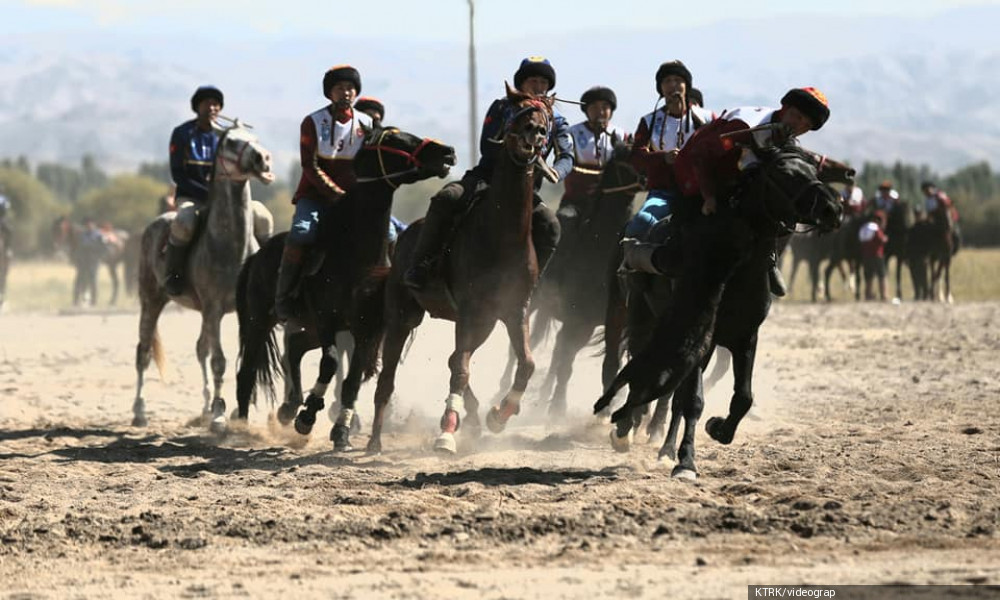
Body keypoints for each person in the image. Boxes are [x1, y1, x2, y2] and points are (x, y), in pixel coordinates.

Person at [629, 87, 832, 297]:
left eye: (806, 125)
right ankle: (640, 258)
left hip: (735, 185)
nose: (798, 126)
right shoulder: (746, 124)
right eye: (797, 116)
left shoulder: (785, 136)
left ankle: (768, 259)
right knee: (684, 247)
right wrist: (708, 196)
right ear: (785, 108)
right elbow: (701, 156)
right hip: (696, 178)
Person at [403, 56, 573, 290]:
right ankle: (422, 264)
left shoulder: (558, 121)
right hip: (486, 179)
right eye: (533, 80)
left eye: (543, 82)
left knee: (551, 226)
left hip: (525, 191)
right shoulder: (502, 108)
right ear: (521, 85)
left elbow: (567, 156)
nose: (538, 87)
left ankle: (532, 284)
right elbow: (487, 146)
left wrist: (557, 170)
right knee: (446, 198)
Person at [275, 65, 373, 323]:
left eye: (350, 88)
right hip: (316, 197)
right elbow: (310, 165)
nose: (346, 93)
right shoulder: (312, 122)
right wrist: (335, 193)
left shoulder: (367, 123)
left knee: (390, 234)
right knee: (301, 233)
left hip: (355, 199)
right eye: (340, 88)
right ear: (330, 93)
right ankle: (284, 297)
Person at [164, 86, 272, 295]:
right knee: (184, 222)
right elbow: (179, 174)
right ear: (197, 107)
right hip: (193, 197)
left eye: (216, 104)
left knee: (263, 216)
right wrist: (209, 194)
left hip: (230, 199)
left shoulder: (228, 138)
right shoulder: (182, 134)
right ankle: (174, 274)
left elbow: (242, 166)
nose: (212, 107)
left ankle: (269, 272)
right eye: (207, 103)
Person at [623, 60, 715, 241]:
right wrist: (663, 157)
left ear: (686, 86)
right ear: (661, 89)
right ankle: (626, 266)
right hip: (663, 192)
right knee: (640, 223)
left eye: (678, 80)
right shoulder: (649, 122)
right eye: (667, 81)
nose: (673, 85)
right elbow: (636, 157)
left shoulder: (707, 118)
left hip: (703, 193)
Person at [556, 85, 628, 241]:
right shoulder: (572, 134)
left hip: (610, 203)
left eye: (605, 107)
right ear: (586, 110)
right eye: (594, 107)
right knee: (564, 221)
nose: (600, 111)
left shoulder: (622, 136)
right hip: (576, 200)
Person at [859, 210, 889, 301]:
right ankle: (884, 295)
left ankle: (868, 295)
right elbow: (881, 239)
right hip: (877, 255)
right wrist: (885, 238)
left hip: (866, 255)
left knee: (869, 277)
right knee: (882, 275)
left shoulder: (865, 227)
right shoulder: (876, 228)